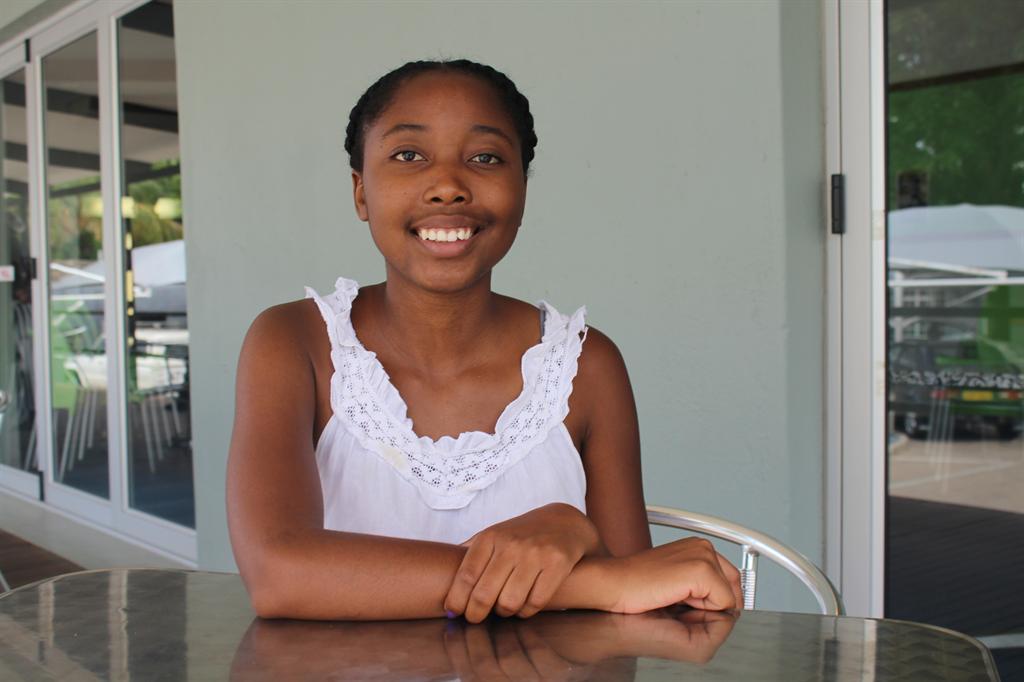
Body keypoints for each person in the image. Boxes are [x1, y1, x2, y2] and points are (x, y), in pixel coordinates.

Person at [227, 59, 742, 622]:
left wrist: (580, 538)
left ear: (522, 189)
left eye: (486, 158)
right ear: (361, 192)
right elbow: (279, 574)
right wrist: (583, 580)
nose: (448, 186)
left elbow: (635, 598)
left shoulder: (585, 366)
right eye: (408, 155)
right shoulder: (295, 343)